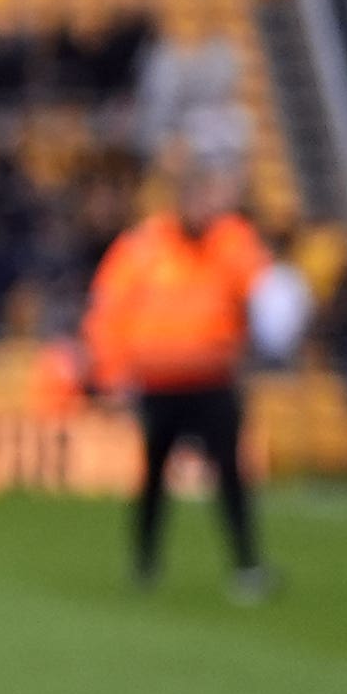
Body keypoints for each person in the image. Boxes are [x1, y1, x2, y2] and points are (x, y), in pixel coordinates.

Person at [81, 154, 272, 599]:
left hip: (213, 377)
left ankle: (247, 564)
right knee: (152, 475)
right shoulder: (142, 247)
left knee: (230, 472)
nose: (203, 208)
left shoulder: (232, 243)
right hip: (159, 383)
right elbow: (109, 311)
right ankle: (145, 561)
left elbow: (262, 293)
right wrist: (112, 373)